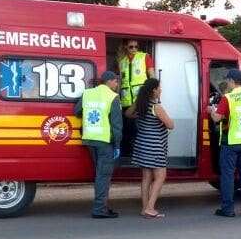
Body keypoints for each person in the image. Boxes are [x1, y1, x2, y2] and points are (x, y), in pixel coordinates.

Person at [208, 69, 241, 218]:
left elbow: (217, 118)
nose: (227, 83)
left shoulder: (228, 98)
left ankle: (228, 209)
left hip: (230, 143)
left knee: (228, 176)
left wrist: (212, 110)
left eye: (227, 80)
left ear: (231, 81)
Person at [74, 71, 123, 219]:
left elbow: (77, 111)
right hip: (104, 142)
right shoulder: (113, 97)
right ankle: (100, 209)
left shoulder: (88, 93)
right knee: (103, 176)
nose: (117, 84)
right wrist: (117, 145)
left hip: (89, 139)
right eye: (116, 81)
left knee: (100, 174)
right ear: (109, 81)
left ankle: (102, 206)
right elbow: (116, 125)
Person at [126, 78, 174, 219]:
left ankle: (144, 208)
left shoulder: (140, 104)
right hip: (154, 146)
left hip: (141, 145)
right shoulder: (156, 107)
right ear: (154, 90)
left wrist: (138, 116)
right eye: (159, 88)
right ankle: (150, 208)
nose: (161, 90)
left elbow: (127, 114)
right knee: (160, 176)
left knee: (146, 177)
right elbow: (171, 125)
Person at [118, 40, 155, 157]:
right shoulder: (122, 62)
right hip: (125, 102)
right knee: (126, 130)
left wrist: (152, 94)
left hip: (140, 101)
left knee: (139, 129)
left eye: (136, 46)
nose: (134, 49)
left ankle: (140, 154)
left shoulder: (144, 57)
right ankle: (126, 155)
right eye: (131, 47)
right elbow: (120, 82)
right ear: (126, 47)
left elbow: (152, 76)